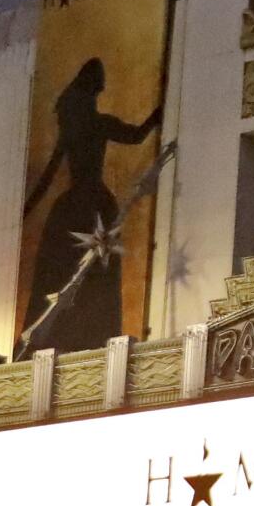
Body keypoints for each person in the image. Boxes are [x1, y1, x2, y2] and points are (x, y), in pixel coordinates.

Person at [19, 58, 161, 349]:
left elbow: (47, 175)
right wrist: (157, 115)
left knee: (71, 271)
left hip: (73, 206)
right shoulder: (97, 124)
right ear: (94, 89)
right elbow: (136, 135)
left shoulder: (76, 128)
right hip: (94, 204)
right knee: (81, 272)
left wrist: (26, 209)